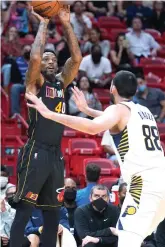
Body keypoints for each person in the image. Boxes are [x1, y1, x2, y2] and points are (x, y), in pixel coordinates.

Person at [26, 69, 165, 247]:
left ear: (112, 88)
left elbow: (93, 127)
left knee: (127, 238)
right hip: (161, 180)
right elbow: (111, 119)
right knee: (142, 236)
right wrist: (87, 109)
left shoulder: (118, 110)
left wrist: (50, 114)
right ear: (135, 91)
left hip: (144, 183)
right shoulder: (143, 111)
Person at [10, 4, 82, 247]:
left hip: (55, 155)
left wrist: (66, 22)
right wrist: (44, 23)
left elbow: (77, 58)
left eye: (53, 59)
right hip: (36, 151)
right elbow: (36, 56)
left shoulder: (61, 82)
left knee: (52, 214)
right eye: (47, 60)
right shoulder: (35, 83)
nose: (50, 62)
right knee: (24, 209)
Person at [10, 45, 31, 118]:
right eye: (25, 50)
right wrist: (23, 81)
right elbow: (14, 78)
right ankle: (16, 114)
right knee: (15, 87)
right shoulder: (16, 62)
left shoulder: (36, 61)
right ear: (22, 51)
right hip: (22, 84)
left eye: (29, 50)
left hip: (34, 85)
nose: (27, 52)